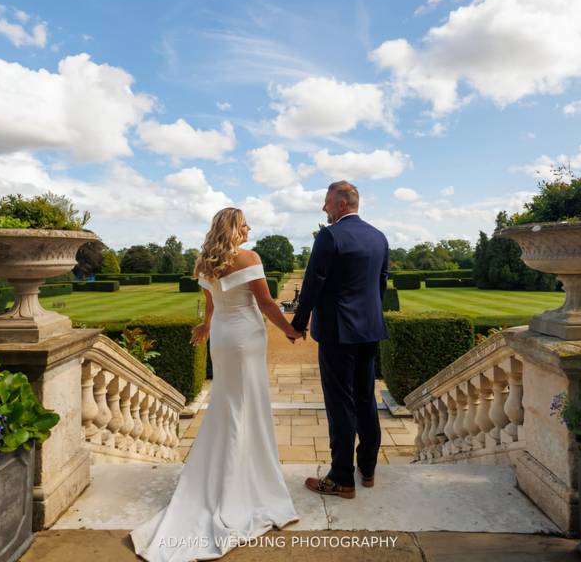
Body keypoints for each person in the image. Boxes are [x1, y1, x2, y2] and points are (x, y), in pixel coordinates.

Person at [130, 207, 302, 562]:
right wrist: (290, 329)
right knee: (243, 406)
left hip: (222, 337)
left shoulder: (205, 262)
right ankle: (241, 483)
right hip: (245, 338)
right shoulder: (249, 258)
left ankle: (228, 473)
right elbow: (266, 303)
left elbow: (210, 305)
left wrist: (207, 327)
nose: (249, 228)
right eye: (244, 224)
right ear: (233, 228)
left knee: (229, 403)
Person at [291, 180, 389, 499]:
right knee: (365, 398)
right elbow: (380, 285)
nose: (324, 207)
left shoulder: (330, 235)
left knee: (340, 404)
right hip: (369, 330)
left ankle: (342, 478)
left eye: (327, 202)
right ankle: (368, 468)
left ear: (342, 204)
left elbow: (313, 283)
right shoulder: (379, 237)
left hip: (337, 332)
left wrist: (298, 323)